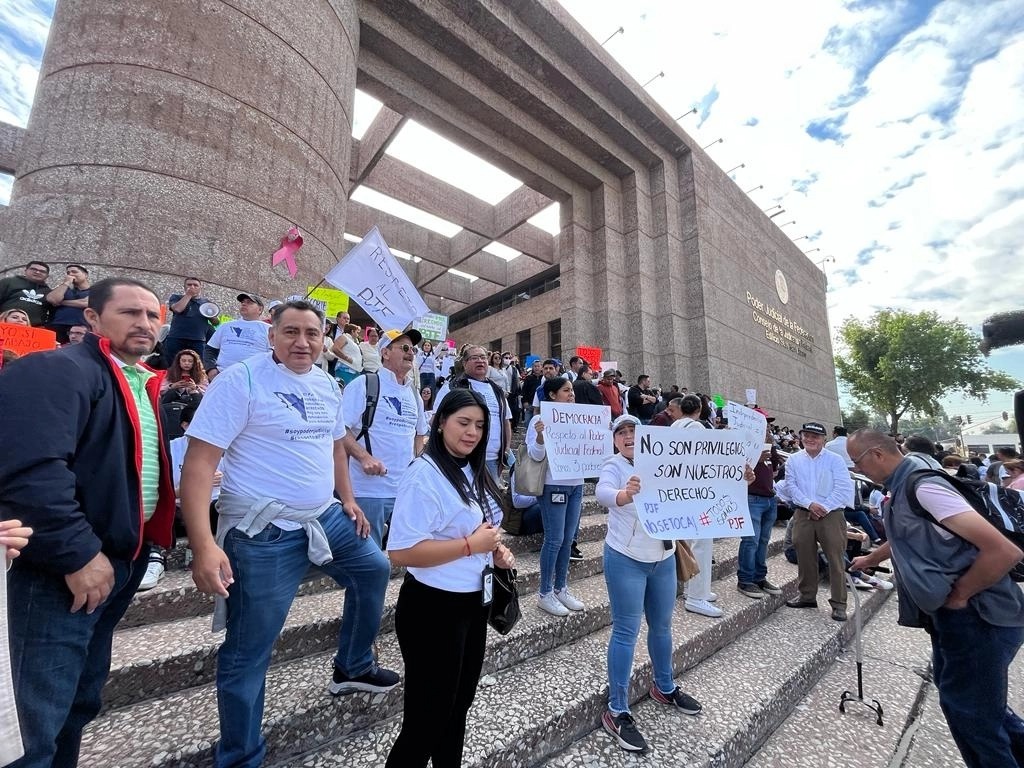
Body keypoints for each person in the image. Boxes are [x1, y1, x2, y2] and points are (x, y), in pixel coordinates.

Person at [180, 300, 398, 768]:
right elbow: (199, 465)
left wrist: (349, 499)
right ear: (271, 336)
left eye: (312, 334)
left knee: (374, 568)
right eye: (291, 332)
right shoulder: (243, 380)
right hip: (262, 532)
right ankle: (241, 756)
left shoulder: (324, 382)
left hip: (325, 516)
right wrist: (203, 544)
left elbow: (335, 446)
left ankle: (353, 666)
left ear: (324, 340)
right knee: (249, 650)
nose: (302, 342)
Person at [0, 277, 176, 768]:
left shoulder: (141, 381)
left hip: (119, 561)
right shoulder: (56, 370)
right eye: (129, 313)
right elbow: (31, 471)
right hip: (62, 571)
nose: (144, 323)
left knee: (77, 703)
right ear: (93, 319)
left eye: (152, 315)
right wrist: (76, 552)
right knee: (33, 725)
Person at [848, 429, 1024, 768]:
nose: (857, 469)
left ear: (877, 455)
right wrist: (872, 559)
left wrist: (960, 595)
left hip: (979, 618)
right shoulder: (902, 487)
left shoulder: (923, 485)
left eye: (857, 462)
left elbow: (1003, 551)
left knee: (974, 719)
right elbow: (909, 533)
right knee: (975, 706)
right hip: (955, 620)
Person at [384, 389, 516, 767]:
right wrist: (470, 546)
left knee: (458, 707)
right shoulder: (423, 474)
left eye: (479, 425)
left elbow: (472, 529)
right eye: (463, 422)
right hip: (432, 607)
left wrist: (492, 551)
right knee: (426, 720)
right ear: (440, 422)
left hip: (470, 603)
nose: (472, 432)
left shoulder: (468, 469)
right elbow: (401, 552)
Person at [596, 414, 703, 753]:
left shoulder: (666, 461)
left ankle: (664, 686)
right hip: (626, 558)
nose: (628, 437)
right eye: (622, 433)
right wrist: (624, 495)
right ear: (615, 440)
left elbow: (704, 481)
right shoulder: (613, 465)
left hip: (663, 558)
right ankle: (617, 709)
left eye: (633, 431)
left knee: (662, 627)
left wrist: (736, 478)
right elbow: (602, 493)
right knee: (626, 631)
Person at [341, 328, 430, 546]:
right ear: (385, 353)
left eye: (414, 349)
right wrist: (364, 457)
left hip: (404, 492)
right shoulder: (364, 384)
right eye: (405, 348)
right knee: (367, 559)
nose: (411, 353)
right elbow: (339, 431)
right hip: (368, 492)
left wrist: (416, 465)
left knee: (398, 554)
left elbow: (419, 434)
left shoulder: (413, 394)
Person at [527, 376, 586, 616]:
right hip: (554, 486)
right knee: (554, 539)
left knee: (568, 538)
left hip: (576, 485)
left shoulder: (581, 420)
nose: (571, 394)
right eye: (566, 390)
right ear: (552, 395)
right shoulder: (538, 420)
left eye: (572, 390)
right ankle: (545, 593)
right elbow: (535, 455)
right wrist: (541, 436)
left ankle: (561, 588)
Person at [784, 422, 855, 621]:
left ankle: (839, 603)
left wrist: (823, 508)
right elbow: (791, 486)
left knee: (835, 559)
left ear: (824, 439)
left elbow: (842, 488)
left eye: (815, 436)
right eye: (806, 435)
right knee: (805, 557)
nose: (810, 439)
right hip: (803, 513)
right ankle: (807, 596)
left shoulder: (835, 460)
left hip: (831, 514)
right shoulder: (793, 460)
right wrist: (810, 505)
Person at [672, 394, 723, 618]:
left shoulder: (674, 426)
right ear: (700, 409)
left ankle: (696, 590)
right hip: (696, 491)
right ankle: (696, 597)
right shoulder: (698, 429)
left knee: (690, 541)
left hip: (680, 491)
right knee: (700, 543)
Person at [435, 345, 512, 480]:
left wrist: (505, 452)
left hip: (492, 460)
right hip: (461, 460)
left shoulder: (497, 391)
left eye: (483, 357)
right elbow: (436, 420)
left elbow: (506, 421)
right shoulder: (452, 387)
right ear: (464, 363)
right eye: (474, 358)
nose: (480, 361)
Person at [737, 420, 784, 599]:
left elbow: (774, 467)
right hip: (752, 497)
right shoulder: (742, 444)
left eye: (768, 427)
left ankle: (759, 577)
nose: (768, 430)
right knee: (751, 541)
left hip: (769, 498)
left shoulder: (768, 445)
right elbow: (733, 466)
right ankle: (745, 579)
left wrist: (770, 447)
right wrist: (755, 456)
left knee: (763, 540)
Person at [205, 293, 270, 379]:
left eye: (249, 302)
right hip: (223, 376)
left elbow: (273, 357)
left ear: (260, 309)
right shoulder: (226, 326)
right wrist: (211, 370)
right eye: (242, 302)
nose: (244, 304)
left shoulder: (269, 329)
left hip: (252, 379)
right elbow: (210, 350)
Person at [165, 277, 215, 366]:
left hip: (198, 340)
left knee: (197, 367)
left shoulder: (206, 302)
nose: (192, 287)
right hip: (176, 338)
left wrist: (210, 314)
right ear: (184, 287)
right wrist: (188, 295)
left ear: (200, 288)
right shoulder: (176, 297)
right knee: (172, 365)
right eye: (189, 285)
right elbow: (178, 309)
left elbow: (215, 322)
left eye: (195, 285)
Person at [44, 264, 91, 344]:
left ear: (85, 275)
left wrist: (61, 302)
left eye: (74, 272)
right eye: (68, 272)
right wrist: (66, 283)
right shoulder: (64, 289)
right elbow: (52, 299)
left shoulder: (95, 290)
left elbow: (86, 303)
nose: (70, 274)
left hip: (81, 328)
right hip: (57, 327)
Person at [0, 261, 53, 326]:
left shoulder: (49, 292)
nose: (37, 272)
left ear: (47, 276)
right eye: (33, 269)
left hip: (33, 330)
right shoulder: (9, 282)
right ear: (25, 271)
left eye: (42, 271)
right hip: (5, 325)